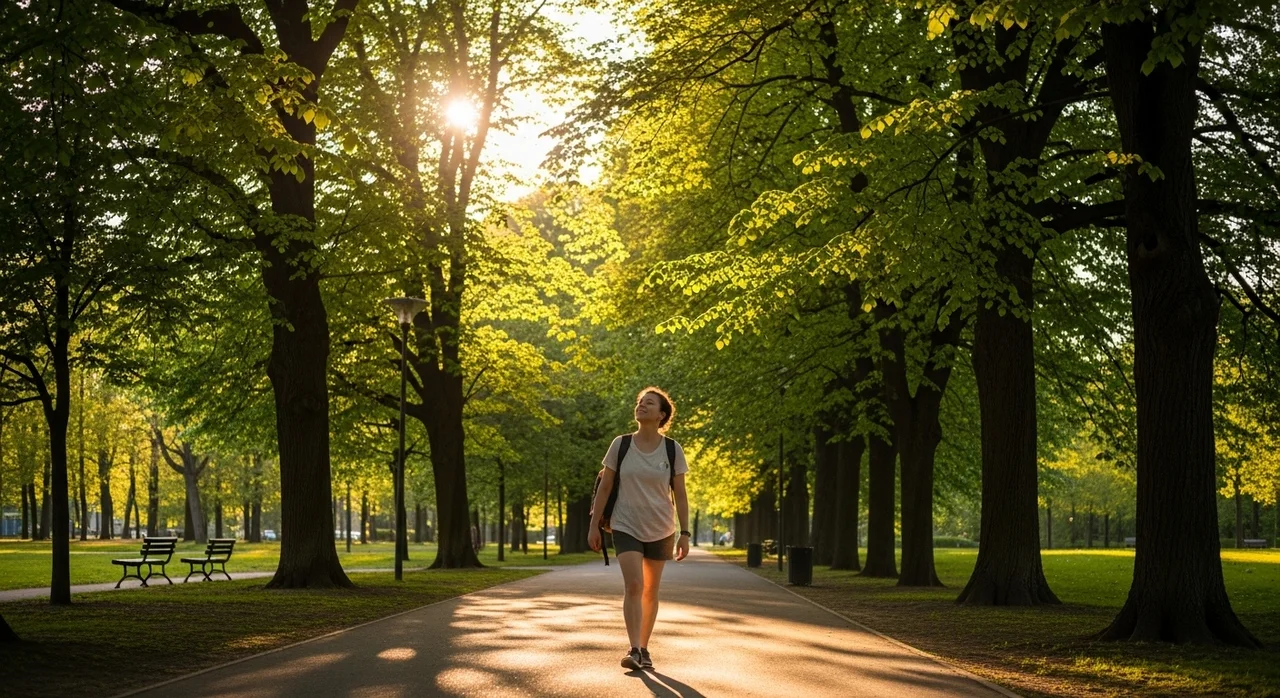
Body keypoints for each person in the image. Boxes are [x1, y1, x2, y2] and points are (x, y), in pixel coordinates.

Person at [588, 387, 690, 671]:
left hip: (662, 527)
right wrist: (594, 525)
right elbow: (605, 487)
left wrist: (685, 533)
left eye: (650, 403)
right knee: (634, 585)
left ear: (661, 415)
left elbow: (680, 494)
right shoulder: (620, 445)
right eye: (640, 402)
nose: (642, 405)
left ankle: (644, 648)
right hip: (625, 524)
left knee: (650, 591)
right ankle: (633, 649)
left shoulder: (672, 449)